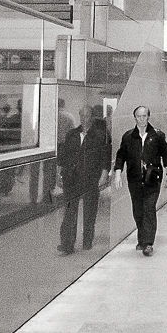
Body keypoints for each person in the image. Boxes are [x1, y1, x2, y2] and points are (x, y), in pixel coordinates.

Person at [113, 105, 167, 255]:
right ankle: (142, 238)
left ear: (148, 117)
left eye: (144, 116)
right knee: (138, 211)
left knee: (149, 209)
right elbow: (121, 156)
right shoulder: (128, 137)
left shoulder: (157, 135)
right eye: (139, 116)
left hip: (152, 179)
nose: (142, 119)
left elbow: (166, 155)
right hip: (134, 179)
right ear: (135, 118)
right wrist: (118, 173)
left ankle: (148, 243)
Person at [57, 106, 112, 254]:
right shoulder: (72, 134)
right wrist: (60, 173)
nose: (84, 118)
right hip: (72, 179)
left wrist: (104, 174)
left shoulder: (100, 135)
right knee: (69, 211)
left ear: (92, 117)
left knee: (89, 211)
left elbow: (106, 156)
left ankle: (87, 240)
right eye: (81, 115)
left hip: (90, 178)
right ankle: (67, 244)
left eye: (87, 116)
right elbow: (64, 156)